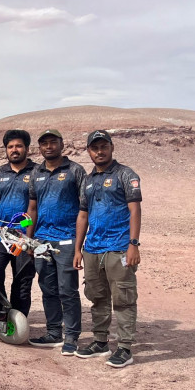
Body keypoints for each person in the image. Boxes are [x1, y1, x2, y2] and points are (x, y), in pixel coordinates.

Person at [73, 130, 142, 368]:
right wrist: (78, 249)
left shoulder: (126, 174)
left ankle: (125, 348)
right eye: (95, 148)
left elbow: (135, 210)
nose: (99, 152)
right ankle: (100, 342)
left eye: (104, 147)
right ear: (89, 151)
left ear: (112, 147)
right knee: (97, 297)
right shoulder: (88, 180)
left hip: (119, 248)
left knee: (123, 299)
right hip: (93, 248)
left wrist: (133, 245)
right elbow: (83, 215)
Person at [26, 129, 87, 355]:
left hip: (67, 239)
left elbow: (84, 208)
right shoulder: (36, 172)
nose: (49, 147)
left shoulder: (75, 171)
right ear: (40, 147)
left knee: (67, 290)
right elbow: (32, 209)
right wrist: (28, 238)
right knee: (47, 288)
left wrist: (78, 246)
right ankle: (53, 333)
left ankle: (71, 336)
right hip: (42, 239)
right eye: (44, 143)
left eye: (53, 142)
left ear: (62, 145)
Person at [0, 130, 38, 332]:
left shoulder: (37, 172)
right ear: (6, 149)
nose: (15, 150)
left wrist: (29, 237)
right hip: (1, 235)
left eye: (19, 146)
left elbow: (36, 207)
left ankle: (15, 323)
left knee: (22, 282)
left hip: (25, 236)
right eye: (10, 146)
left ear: (27, 149)